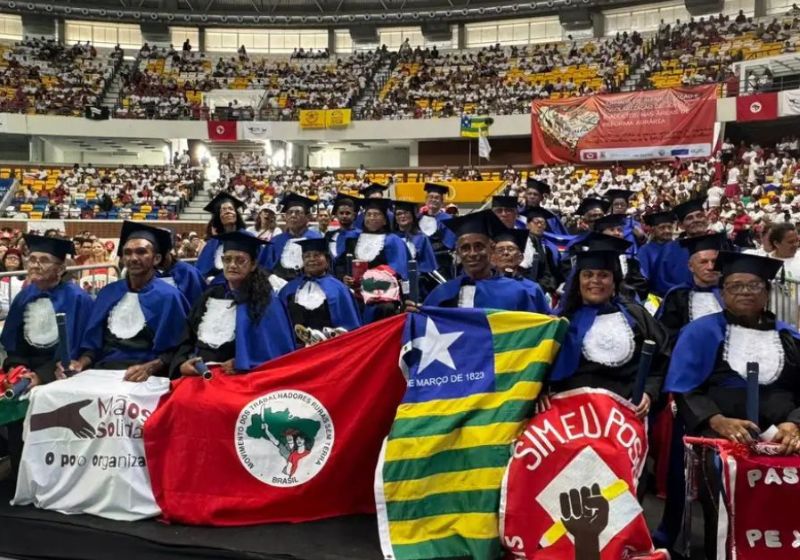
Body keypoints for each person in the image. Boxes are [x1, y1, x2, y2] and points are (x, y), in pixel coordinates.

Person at [665, 252, 800, 559]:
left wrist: (795, 423)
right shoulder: (700, 332)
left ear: (766, 292)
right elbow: (686, 388)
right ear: (723, 293)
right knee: (724, 482)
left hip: (784, 436)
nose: (745, 292)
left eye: (754, 286)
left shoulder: (789, 337)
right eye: (735, 286)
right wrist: (717, 420)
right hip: (723, 438)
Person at [547, 237, 668, 416]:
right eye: (588, 275)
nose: (595, 281)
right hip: (572, 414)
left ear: (614, 282)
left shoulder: (637, 316)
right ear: (578, 282)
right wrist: (543, 393)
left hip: (626, 413)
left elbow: (661, 360)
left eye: (603, 275)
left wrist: (648, 393)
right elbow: (542, 369)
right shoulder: (561, 321)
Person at [66, 222, 190, 382]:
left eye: (141, 252)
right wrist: (80, 363)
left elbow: (177, 349)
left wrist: (151, 367)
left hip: (148, 374)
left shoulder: (170, 296)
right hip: (103, 371)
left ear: (156, 258)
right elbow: (93, 345)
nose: (133, 258)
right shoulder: (108, 293)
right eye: (127, 253)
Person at [171, 232, 295, 376]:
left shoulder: (266, 302)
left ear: (253, 265)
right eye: (227, 259)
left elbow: (275, 351)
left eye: (240, 260)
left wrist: (244, 363)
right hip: (199, 374)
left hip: (242, 377)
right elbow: (187, 338)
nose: (232, 265)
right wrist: (182, 364)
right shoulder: (210, 295)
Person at [1, 235, 93, 385]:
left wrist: (41, 376)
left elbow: (81, 348)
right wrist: (16, 368)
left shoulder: (78, 298)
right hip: (25, 371)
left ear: (61, 269)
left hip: (59, 372)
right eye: (32, 259)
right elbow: (14, 342)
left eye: (44, 260)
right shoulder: (24, 296)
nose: (35, 265)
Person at [420, 210, 550, 312]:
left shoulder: (520, 292)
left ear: (491, 249)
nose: (472, 253)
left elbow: (545, 328)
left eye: (479, 246)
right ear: (458, 253)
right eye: (465, 248)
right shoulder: (442, 293)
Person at [278, 238, 361, 348]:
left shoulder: (339, 289)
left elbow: (349, 325)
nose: (312, 259)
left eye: (317, 255)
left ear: (327, 260)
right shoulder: (289, 289)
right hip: (296, 349)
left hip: (330, 347)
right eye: (307, 256)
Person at [343, 198, 410, 322]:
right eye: (368, 214)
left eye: (376, 214)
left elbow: (399, 270)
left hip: (383, 293)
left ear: (384, 220)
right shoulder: (354, 240)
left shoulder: (392, 240)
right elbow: (343, 266)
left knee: (385, 308)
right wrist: (345, 277)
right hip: (356, 291)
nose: (372, 217)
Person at [657, 233, 725, 343]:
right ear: (690, 266)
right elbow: (667, 335)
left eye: (714, 261)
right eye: (703, 262)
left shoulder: (730, 293)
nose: (710, 267)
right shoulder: (677, 296)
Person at [259, 193, 323, 282]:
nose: (293, 215)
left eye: (298, 212)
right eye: (289, 212)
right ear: (285, 217)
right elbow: (264, 268)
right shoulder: (276, 241)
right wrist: (273, 280)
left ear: (307, 217)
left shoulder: (316, 239)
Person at [654, 198, 710, 294]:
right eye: (689, 218)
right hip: (680, 299)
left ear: (706, 219)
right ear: (681, 225)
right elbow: (660, 281)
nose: (696, 220)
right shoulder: (670, 249)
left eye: (699, 216)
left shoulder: (721, 244)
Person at [491, 226, 551, 313]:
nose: (506, 253)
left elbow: (545, 316)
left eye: (510, 249)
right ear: (492, 259)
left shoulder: (533, 288)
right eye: (500, 250)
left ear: (521, 258)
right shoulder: (484, 286)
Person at [591, 216, 649, 300]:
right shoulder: (590, 258)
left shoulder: (630, 261)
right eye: (611, 230)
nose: (617, 233)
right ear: (600, 234)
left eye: (620, 230)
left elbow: (641, 286)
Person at [195, 193, 249, 283]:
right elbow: (201, 270)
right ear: (218, 217)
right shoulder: (213, 243)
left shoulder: (248, 237)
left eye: (231, 209)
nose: (227, 211)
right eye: (223, 210)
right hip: (217, 285)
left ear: (236, 214)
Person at [418, 183, 457, 279]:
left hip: (440, 264)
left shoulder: (447, 219)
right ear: (426, 200)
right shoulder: (419, 218)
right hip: (421, 263)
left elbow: (448, 244)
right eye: (430, 197)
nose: (433, 200)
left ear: (442, 202)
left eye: (437, 198)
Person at [521, 206, 562, 295]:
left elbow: (547, 271)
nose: (539, 225)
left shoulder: (546, 246)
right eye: (536, 222)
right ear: (527, 225)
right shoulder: (523, 242)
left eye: (542, 223)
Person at [393, 200, 438, 277]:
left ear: (412, 215)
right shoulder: (392, 238)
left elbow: (428, 265)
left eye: (406, 213)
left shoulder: (421, 238)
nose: (402, 216)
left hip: (416, 279)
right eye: (399, 214)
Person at [638, 211, 676, 293]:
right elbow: (644, 277)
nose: (667, 231)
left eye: (669, 227)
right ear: (653, 230)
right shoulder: (645, 250)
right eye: (662, 228)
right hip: (657, 295)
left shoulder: (679, 248)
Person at [326, 193, 361, 278]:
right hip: (332, 278)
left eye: (348, 213)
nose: (344, 216)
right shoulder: (329, 235)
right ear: (336, 215)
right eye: (341, 213)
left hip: (352, 278)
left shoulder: (360, 235)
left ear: (354, 215)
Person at [605, 188, 644, 253]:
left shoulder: (634, 224)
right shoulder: (605, 223)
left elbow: (642, 245)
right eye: (616, 204)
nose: (619, 207)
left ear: (627, 207)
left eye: (622, 205)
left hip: (630, 256)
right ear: (612, 206)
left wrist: (642, 237)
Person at [0, 249, 25, 320]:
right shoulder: (1, 277)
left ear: (20, 262)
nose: (12, 260)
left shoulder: (24, 280)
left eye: (15, 258)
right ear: (4, 261)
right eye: (9, 258)